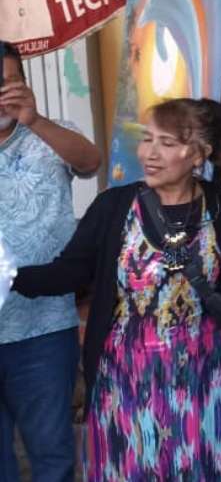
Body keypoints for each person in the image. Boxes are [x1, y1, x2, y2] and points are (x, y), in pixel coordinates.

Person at [11, 98, 221, 481]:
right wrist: (11, 276)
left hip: (206, 378)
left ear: (199, 154)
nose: (150, 154)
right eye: (147, 139)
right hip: (126, 381)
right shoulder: (114, 206)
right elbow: (70, 272)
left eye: (168, 143)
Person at [0, 40, 100, 482]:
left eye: (7, 82)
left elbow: (91, 162)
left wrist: (34, 120)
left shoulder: (52, 131)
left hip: (43, 330)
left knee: (52, 457)